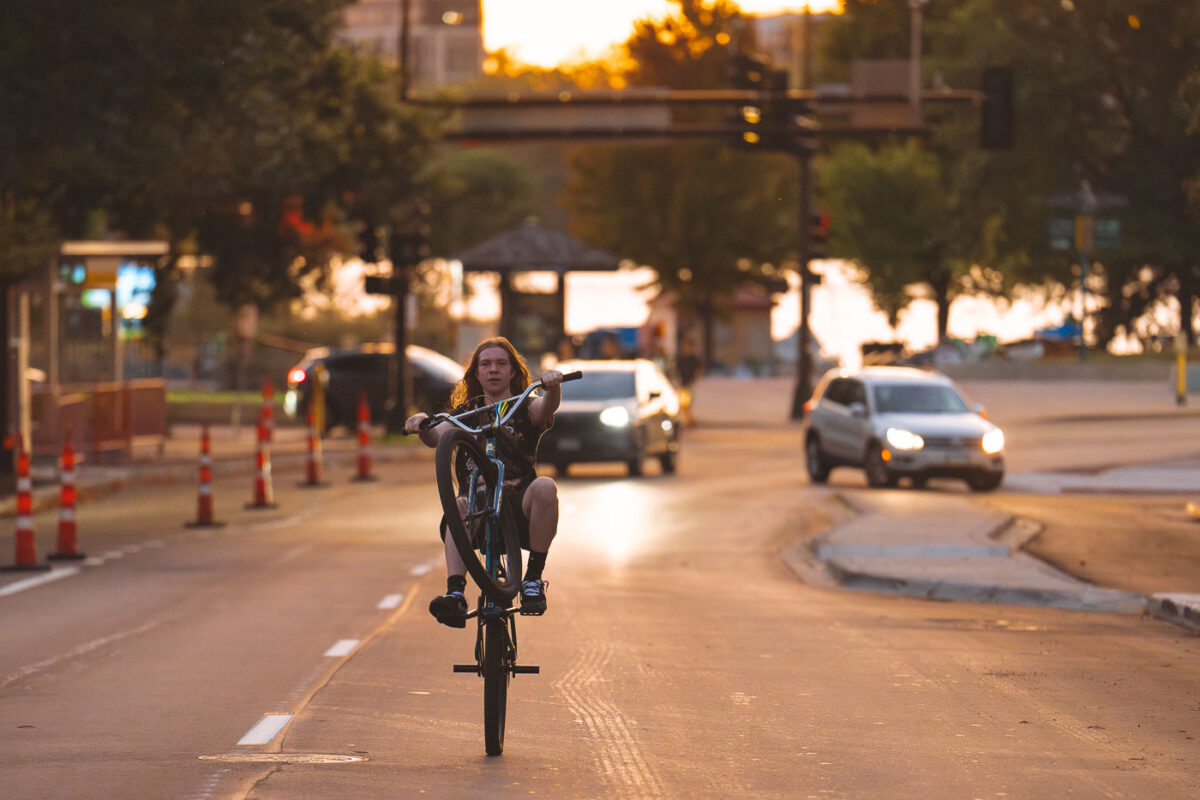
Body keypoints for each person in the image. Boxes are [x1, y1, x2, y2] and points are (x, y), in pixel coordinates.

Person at [404, 337, 564, 628]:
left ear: (513, 371)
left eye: (502, 364)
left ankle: (532, 581)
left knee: (545, 487)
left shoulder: (525, 407)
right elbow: (435, 437)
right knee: (459, 504)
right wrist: (421, 422)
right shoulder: (463, 414)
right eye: (486, 364)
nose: (494, 370)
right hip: (474, 511)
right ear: (475, 373)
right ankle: (455, 593)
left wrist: (553, 388)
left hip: (519, 510)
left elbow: (547, 408)